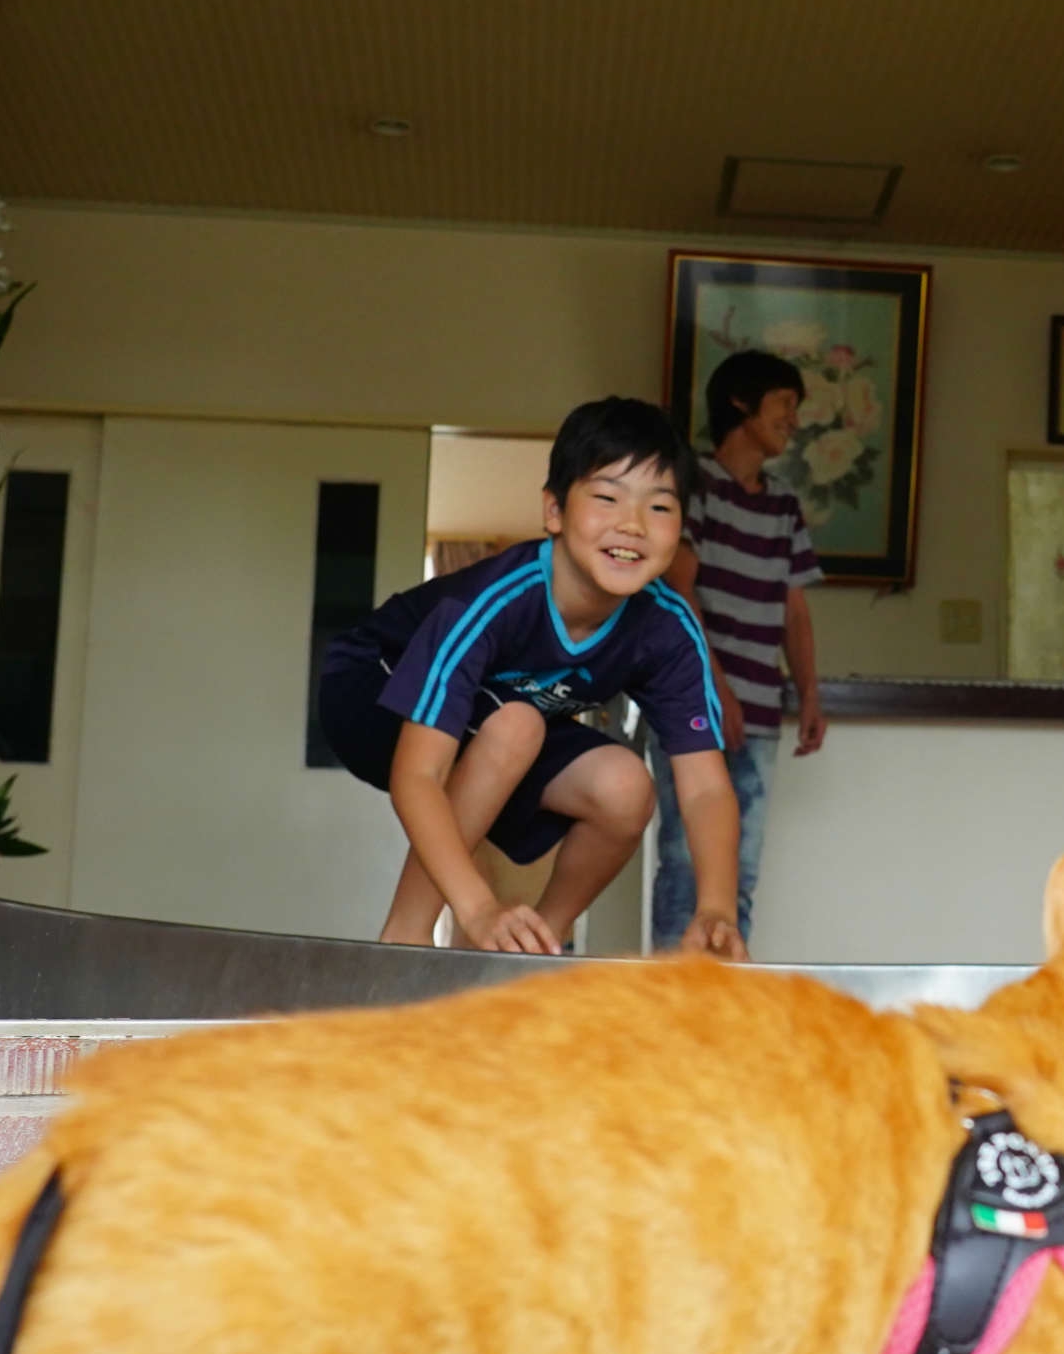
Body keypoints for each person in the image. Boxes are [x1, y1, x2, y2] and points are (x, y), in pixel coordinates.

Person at [312, 396, 743, 957]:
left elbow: (706, 786)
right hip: (370, 686)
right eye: (608, 497)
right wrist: (478, 907)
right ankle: (405, 936)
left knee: (625, 784)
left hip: (503, 708)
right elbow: (418, 776)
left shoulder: (668, 628)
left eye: (660, 508)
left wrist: (716, 907)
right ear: (555, 512)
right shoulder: (495, 601)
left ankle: (532, 951)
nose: (633, 525)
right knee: (517, 726)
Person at [654, 349, 828, 950]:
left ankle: (727, 1012)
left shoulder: (783, 505)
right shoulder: (694, 486)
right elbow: (678, 589)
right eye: (785, 404)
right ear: (740, 403)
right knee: (686, 868)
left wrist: (808, 692)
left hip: (760, 715)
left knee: (739, 880)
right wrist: (717, 688)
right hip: (696, 706)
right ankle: (670, 1013)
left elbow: (794, 609)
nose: (794, 421)